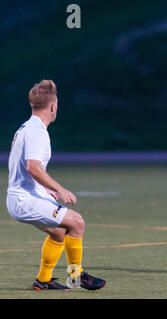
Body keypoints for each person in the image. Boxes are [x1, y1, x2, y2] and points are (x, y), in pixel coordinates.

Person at [6, 79, 106, 290]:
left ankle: (43, 280)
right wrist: (60, 189)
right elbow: (33, 167)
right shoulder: (37, 132)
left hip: (23, 195)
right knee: (77, 222)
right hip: (24, 199)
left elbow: (26, 170)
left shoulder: (28, 127)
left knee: (59, 232)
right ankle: (76, 276)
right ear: (53, 106)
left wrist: (46, 189)